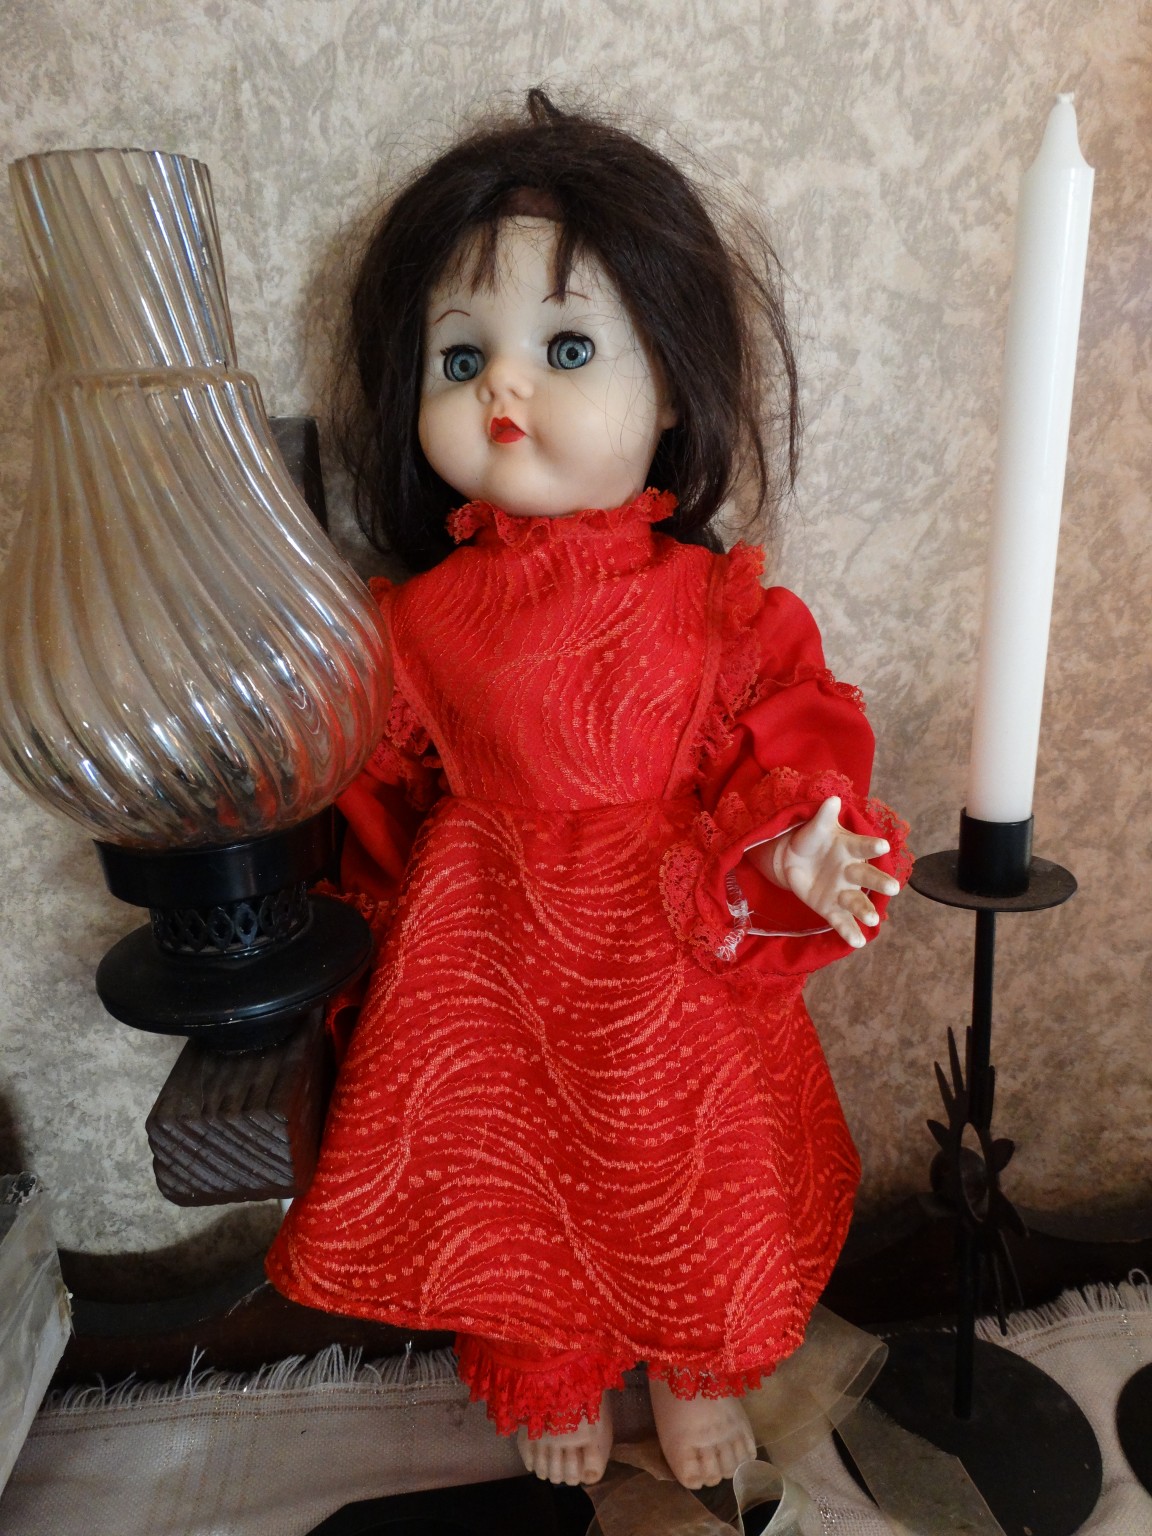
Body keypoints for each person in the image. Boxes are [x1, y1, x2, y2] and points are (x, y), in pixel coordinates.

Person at [266, 89, 907, 1491]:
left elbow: (782, 736)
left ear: (670, 387)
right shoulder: (414, 623)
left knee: (684, 1166)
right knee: (514, 1169)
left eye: (565, 349)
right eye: (460, 358)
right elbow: (377, 784)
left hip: (670, 952)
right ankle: (553, 1362)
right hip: (491, 965)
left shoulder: (714, 606)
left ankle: (689, 1363)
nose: (504, 391)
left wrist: (792, 845)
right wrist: (361, 928)